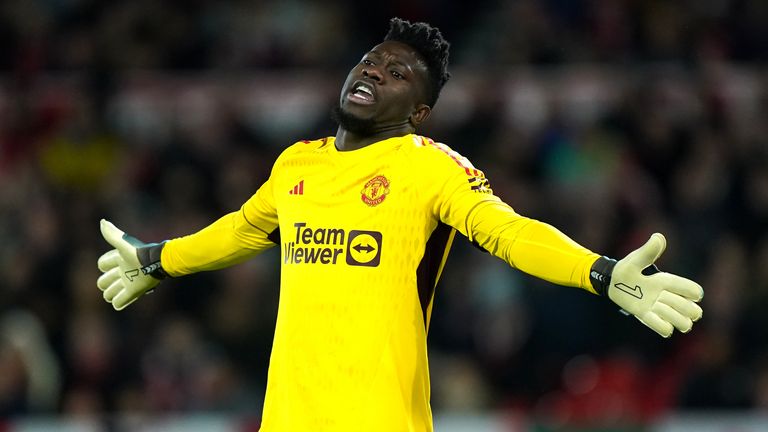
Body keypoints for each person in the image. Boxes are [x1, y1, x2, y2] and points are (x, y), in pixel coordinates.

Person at [96, 18, 703, 432]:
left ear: (419, 111)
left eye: (397, 73)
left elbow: (511, 232)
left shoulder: (428, 167)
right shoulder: (297, 164)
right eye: (369, 61)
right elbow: (241, 229)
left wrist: (597, 272)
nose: (373, 72)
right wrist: (157, 259)